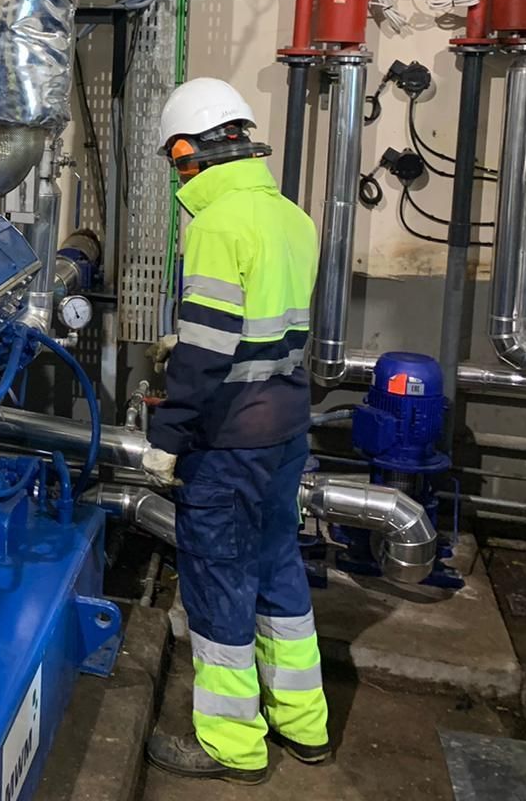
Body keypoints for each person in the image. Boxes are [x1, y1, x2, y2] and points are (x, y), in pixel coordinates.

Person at [139, 78, 331, 785]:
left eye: (175, 160)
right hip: (286, 429)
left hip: (229, 441)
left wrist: (167, 437)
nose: (176, 173)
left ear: (190, 153)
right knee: (278, 565)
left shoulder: (215, 226)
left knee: (219, 579)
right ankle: (304, 725)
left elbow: (208, 352)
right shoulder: (292, 217)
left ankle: (231, 744)